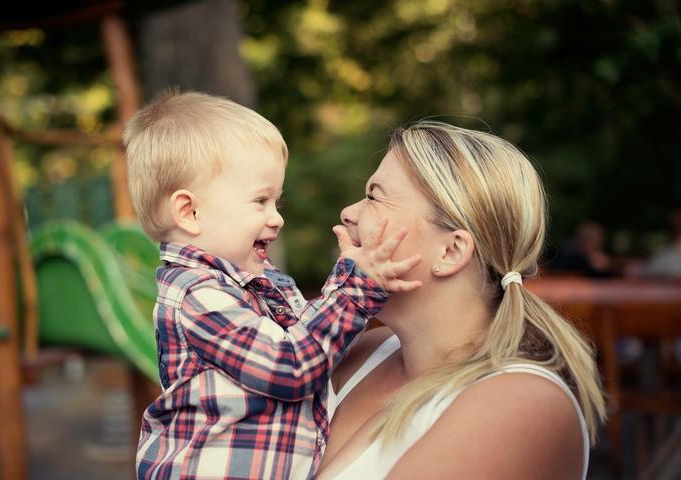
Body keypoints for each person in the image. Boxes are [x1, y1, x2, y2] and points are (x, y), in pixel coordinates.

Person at [123, 91, 422, 479]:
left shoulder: (257, 283)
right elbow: (290, 365)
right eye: (260, 201)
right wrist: (355, 289)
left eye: (276, 202)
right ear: (190, 211)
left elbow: (314, 339)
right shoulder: (196, 294)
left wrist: (354, 283)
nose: (277, 218)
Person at [318, 121, 607, 479]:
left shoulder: (519, 404)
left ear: (451, 251)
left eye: (375, 197)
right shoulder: (362, 350)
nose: (348, 212)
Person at [546, 220, 617, 277]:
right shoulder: (568, 260)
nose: (583, 242)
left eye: (589, 239)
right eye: (581, 238)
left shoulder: (613, 265)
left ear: (601, 240)